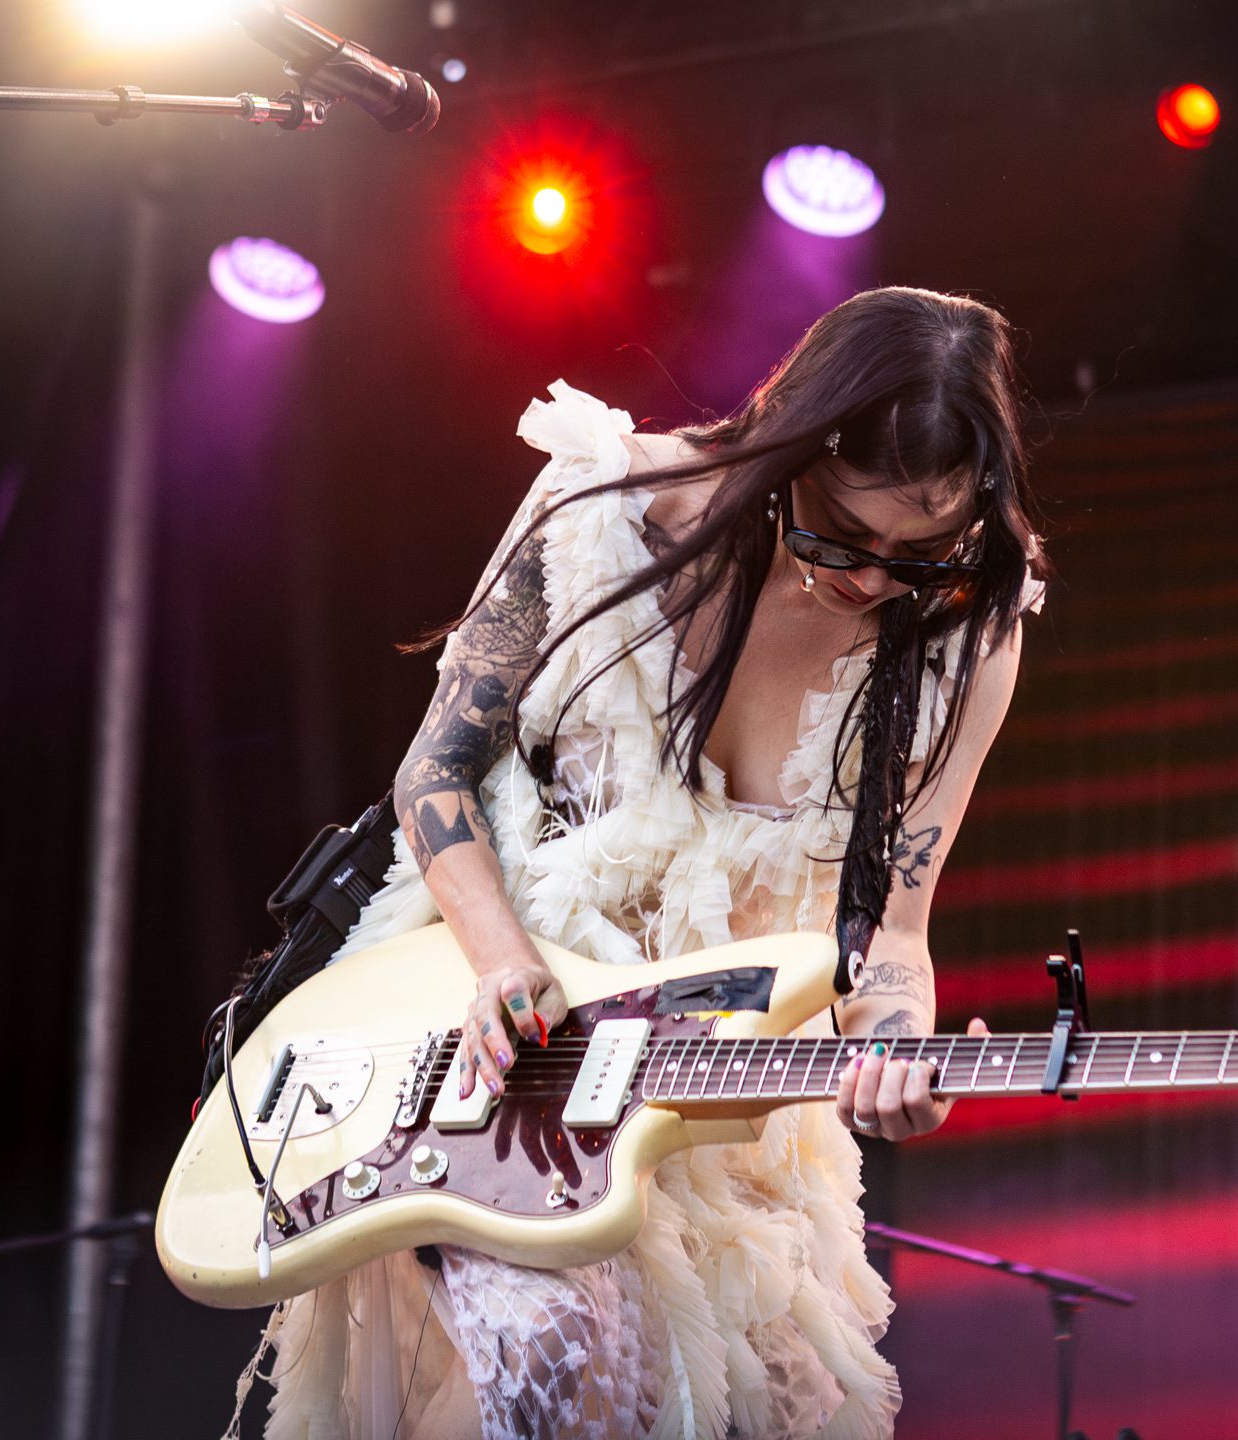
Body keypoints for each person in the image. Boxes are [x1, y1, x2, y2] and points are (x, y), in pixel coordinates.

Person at [238, 287, 1050, 1440]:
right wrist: (502, 960)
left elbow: (896, 935)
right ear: (786, 449)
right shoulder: (606, 498)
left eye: (922, 554)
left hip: (715, 1093)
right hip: (493, 1039)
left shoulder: (971, 635)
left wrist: (894, 1049)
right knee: (549, 1371)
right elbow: (434, 776)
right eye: (840, 533)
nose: (873, 581)